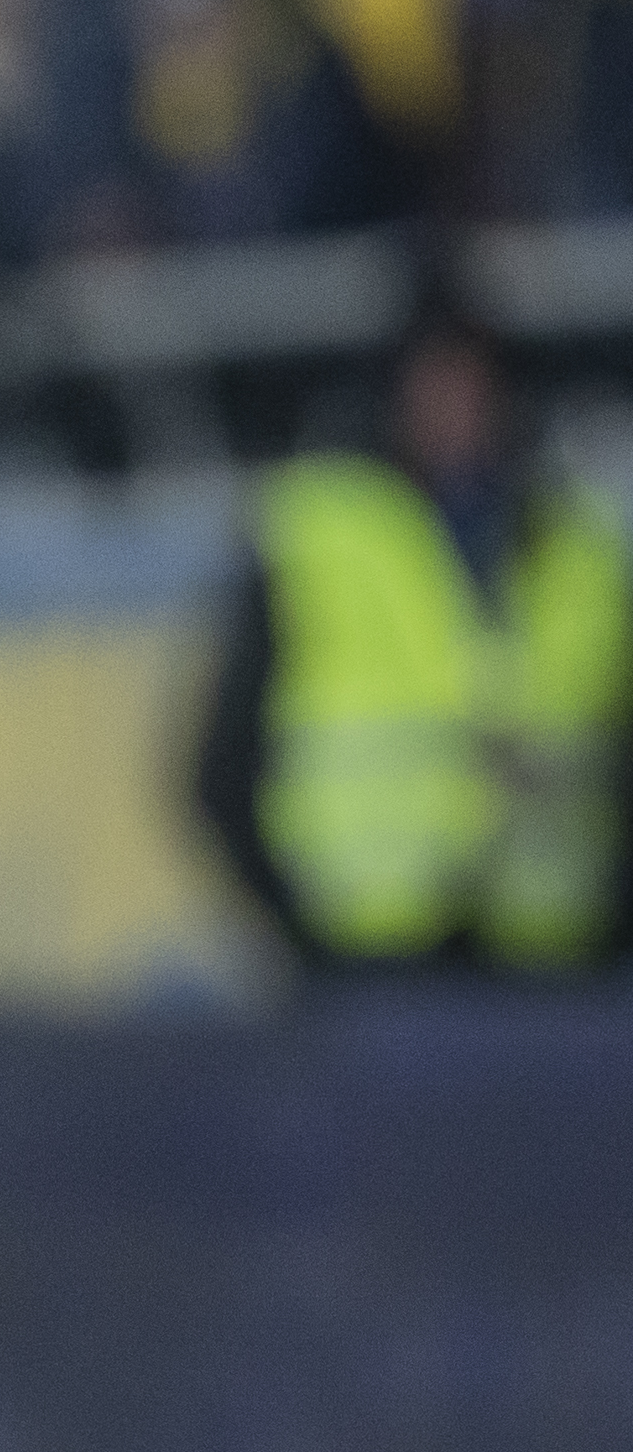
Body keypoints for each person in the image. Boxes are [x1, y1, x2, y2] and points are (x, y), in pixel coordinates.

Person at [195, 300, 629, 974]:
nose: (462, 407)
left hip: (550, 953)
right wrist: (301, 936)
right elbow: (219, 770)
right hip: (374, 954)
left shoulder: (580, 546)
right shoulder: (317, 531)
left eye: (477, 382)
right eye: (439, 383)